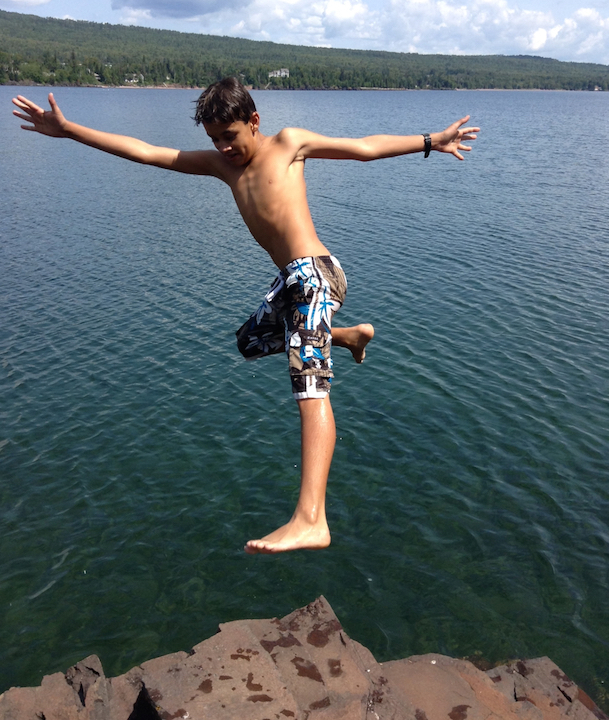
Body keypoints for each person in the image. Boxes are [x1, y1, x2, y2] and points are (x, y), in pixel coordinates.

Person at [12, 78, 479, 555]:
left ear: (254, 121)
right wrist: (70, 130)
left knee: (310, 387)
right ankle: (347, 336)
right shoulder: (222, 167)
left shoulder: (290, 143)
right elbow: (147, 151)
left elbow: (363, 148)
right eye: (216, 139)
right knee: (250, 343)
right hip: (291, 285)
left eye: (231, 135)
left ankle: (311, 518)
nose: (224, 147)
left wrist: (429, 141)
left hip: (316, 275)